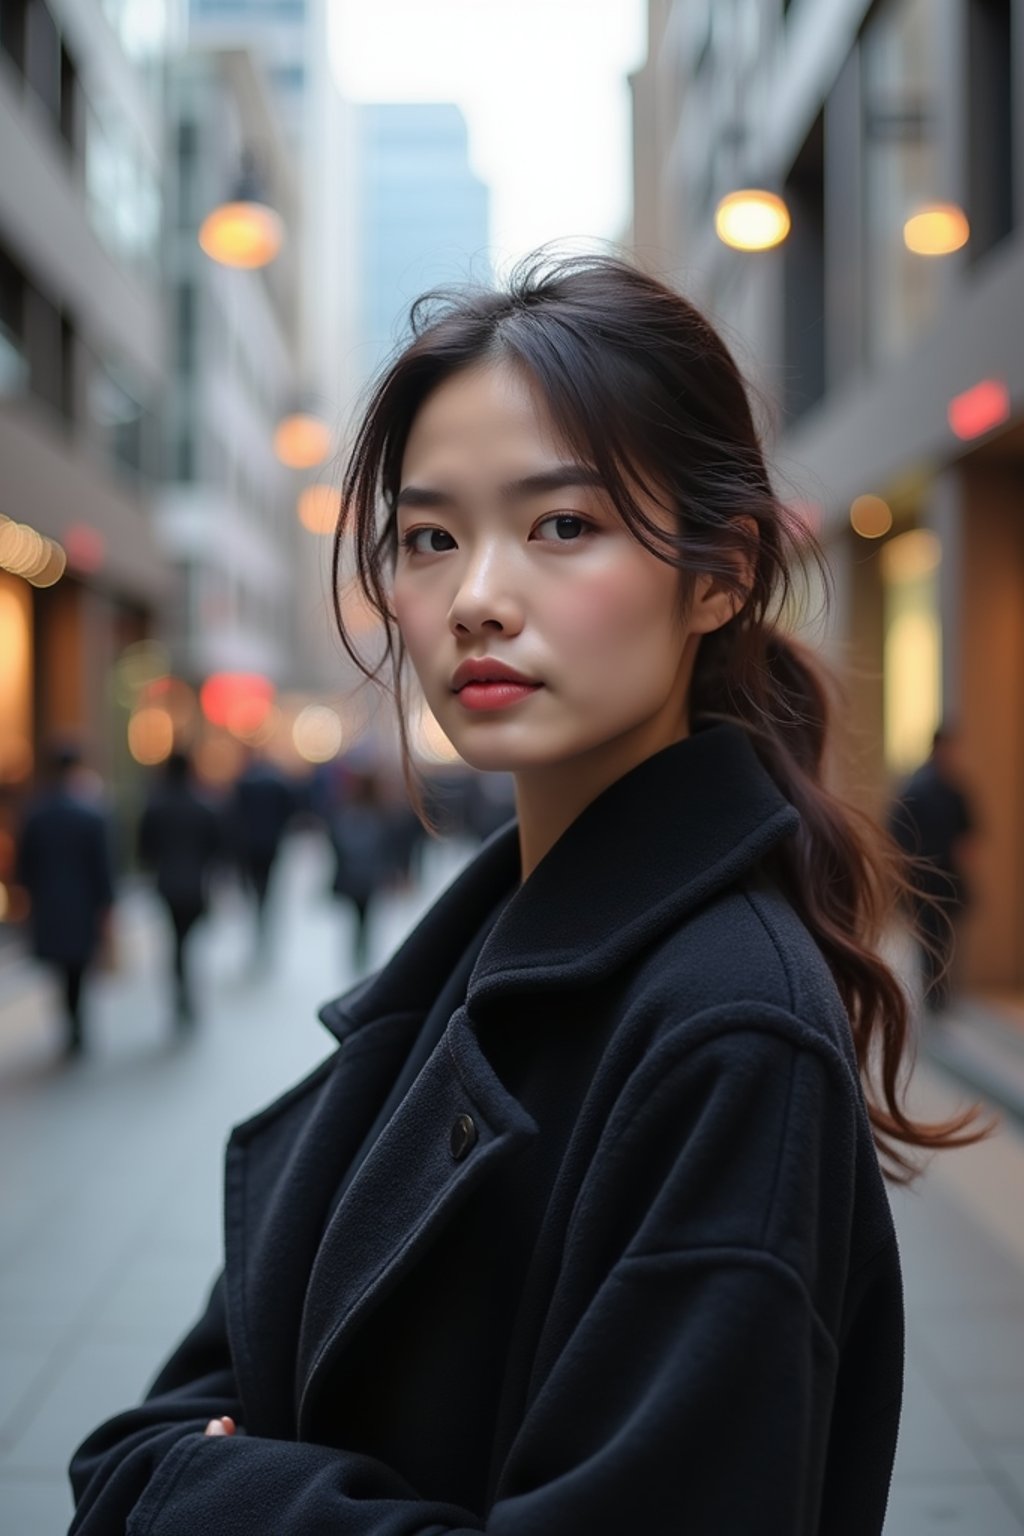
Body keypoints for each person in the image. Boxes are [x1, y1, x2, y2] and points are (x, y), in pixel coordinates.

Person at [68, 253, 989, 1535]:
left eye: (563, 525)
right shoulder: (480, 958)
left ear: (718, 575)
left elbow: (165, 1453)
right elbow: (152, 1426)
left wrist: (207, 1487)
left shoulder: (725, 1030)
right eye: (431, 538)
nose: (477, 600)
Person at [16, 742, 114, 1058]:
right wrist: (107, 904)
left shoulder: (35, 813)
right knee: (78, 967)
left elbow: (24, 865)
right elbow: (103, 866)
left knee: (61, 968)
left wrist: (26, 900)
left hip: (49, 903)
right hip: (82, 904)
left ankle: (71, 1024)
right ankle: (76, 1024)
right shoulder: (90, 813)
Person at [138, 751, 222, 1027]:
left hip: (168, 884)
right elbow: (217, 848)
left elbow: (144, 850)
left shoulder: (156, 806)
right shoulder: (203, 806)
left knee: (177, 941)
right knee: (186, 941)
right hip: (196, 884)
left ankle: (181, 992)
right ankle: (185, 993)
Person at [224, 750, 295, 953]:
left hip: (249, 844)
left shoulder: (244, 783)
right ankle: (262, 908)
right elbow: (288, 811)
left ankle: (258, 907)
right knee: (266, 882)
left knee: (254, 882)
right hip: (270, 842)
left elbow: (234, 814)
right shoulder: (276, 783)